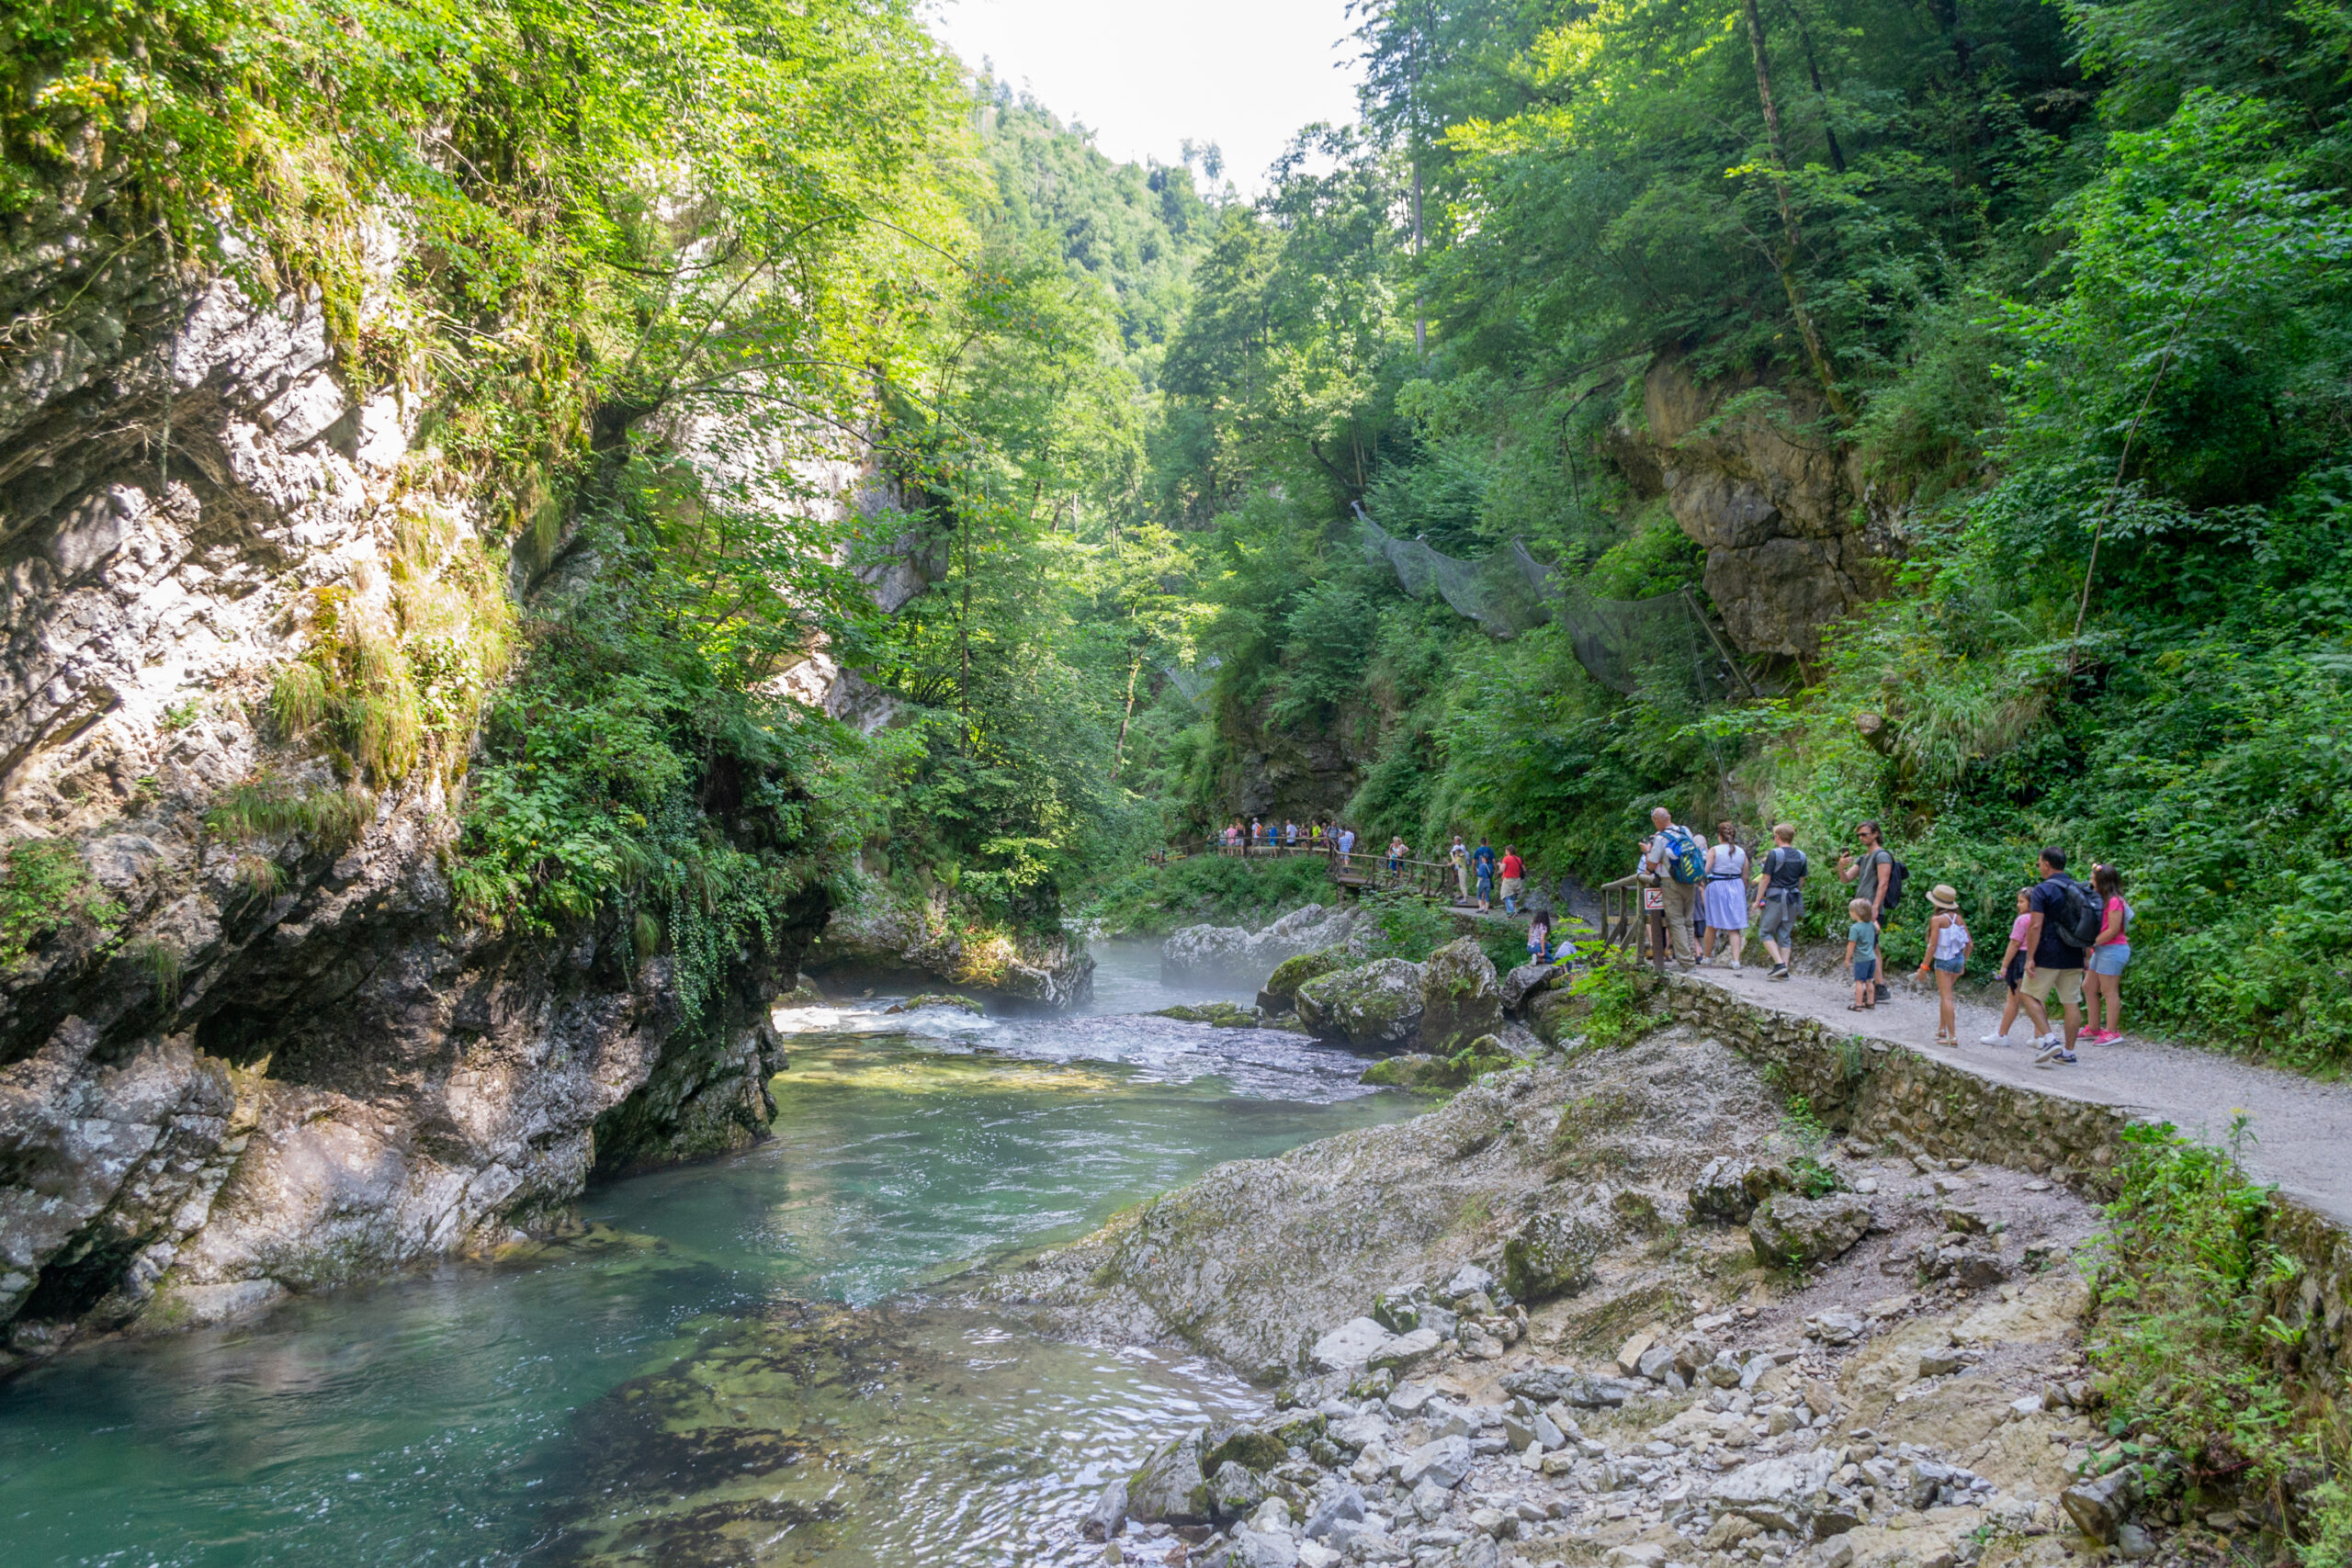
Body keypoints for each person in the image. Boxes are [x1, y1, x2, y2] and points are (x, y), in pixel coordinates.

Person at [2022, 847, 2093, 1066]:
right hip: (2074, 952)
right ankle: (2069, 1053)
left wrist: (2030, 957)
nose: (2039, 867)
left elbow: (2035, 925)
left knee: (2028, 995)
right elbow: (2086, 925)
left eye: (2039, 863)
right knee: (2071, 1003)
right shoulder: (2077, 888)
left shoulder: (2042, 890)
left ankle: (2050, 1039)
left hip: (2048, 951)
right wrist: (2085, 956)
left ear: (2047, 864)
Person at [1838, 820, 1894, 1001]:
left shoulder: (1882, 856)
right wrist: (1841, 866)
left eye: (1865, 834)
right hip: (1863, 908)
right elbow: (1846, 879)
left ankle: (1878, 987)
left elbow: (1884, 883)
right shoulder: (1863, 858)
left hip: (1871, 908)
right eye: (1859, 835)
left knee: (1869, 948)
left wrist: (1875, 907)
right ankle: (1879, 987)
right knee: (1873, 947)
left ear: (1876, 834)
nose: (1861, 838)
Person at [1640, 807, 1702, 967]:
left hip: (1670, 882)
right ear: (1670, 816)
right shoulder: (1685, 831)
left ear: (1657, 821)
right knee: (1688, 922)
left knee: (1676, 922)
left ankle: (1686, 963)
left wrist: (1647, 851)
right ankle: (1690, 959)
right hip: (1690, 880)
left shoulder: (1661, 838)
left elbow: (1652, 864)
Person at [1915, 885, 1973, 1045]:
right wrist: (1963, 962)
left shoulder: (1936, 920)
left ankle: (1952, 1037)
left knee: (1947, 998)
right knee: (1945, 995)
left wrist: (1924, 967)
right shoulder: (1958, 919)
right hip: (1958, 959)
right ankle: (1942, 1028)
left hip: (1944, 961)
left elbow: (1932, 946)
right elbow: (1970, 944)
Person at [1750, 823, 1806, 980]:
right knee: (1784, 934)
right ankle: (1784, 971)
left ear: (1777, 837)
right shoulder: (1801, 856)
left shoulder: (1774, 854)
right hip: (1793, 898)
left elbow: (1765, 879)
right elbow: (1801, 880)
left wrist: (1757, 900)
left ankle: (1780, 964)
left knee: (1765, 932)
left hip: (1776, 898)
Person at [1979, 888, 2035, 1045]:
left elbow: (2015, 943)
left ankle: (2002, 1034)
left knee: (2013, 999)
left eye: (2022, 901)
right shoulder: (2041, 919)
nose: (2018, 905)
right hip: (2036, 959)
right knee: (2037, 998)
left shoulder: (2022, 920)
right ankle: (2040, 1036)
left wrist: (2004, 965)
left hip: (2021, 959)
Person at [2086, 863, 2132, 1043]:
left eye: (2093, 879)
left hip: (2113, 949)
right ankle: (2094, 1028)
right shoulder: (2102, 899)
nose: (2091, 882)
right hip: (2102, 948)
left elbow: (2113, 929)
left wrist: (2093, 941)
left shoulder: (2114, 901)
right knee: (2088, 986)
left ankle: (2112, 1031)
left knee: (2108, 990)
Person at [1700, 822, 1750, 970]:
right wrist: (1742, 889)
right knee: (1734, 927)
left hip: (1717, 886)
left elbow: (1705, 871)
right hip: (1736, 886)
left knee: (1711, 925)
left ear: (1719, 836)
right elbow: (1746, 876)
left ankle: (1707, 957)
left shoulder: (1714, 850)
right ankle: (1736, 960)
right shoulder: (1741, 852)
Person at [1845, 897, 1881, 1010]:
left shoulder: (1855, 928)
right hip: (1871, 958)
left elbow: (1851, 945)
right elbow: (1878, 929)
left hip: (1861, 959)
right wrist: (1874, 920)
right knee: (1869, 981)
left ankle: (1858, 1004)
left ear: (1857, 913)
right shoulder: (1870, 925)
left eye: (1851, 911)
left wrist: (1847, 959)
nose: (1850, 913)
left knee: (1859, 982)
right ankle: (1870, 1002)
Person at [1498, 845, 1525, 915]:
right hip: (1517, 880)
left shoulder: (1506, 858)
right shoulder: (1518, 859)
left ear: (1508, 851)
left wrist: (1500, 865)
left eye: (1506, 850)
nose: (1505, 852)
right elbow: (1524, 869)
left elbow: (1502, 869)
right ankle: (1512, 914)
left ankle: (1511, 912)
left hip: (1508, 880)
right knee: (1513, 897)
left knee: (1506, 896)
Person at [1474, 837, 1498, 912]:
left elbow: (1474, 861)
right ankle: (1485, 907)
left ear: (1480, 842)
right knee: (1486, 889)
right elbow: (1494, 861)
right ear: (1486, 842)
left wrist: (1473, 869)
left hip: (1480, 871)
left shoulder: (1477, 850)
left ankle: (1482, 906)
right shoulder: (1490, 850)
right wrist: (1496, 870)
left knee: (1480, 890)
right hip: (1489, 870)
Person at [1450, 835, 1471, 902]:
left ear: (1457, 850)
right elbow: (1454, 860)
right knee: (1462, 884)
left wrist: (1451, 855)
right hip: (1461, 870)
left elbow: (1454, 861)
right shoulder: (1460, 855)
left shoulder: (1460, 856)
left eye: (1455, 851)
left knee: (1463, 885)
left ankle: (1465, 899)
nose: (1455, 852)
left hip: (1462, 870)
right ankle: (1464, 898)